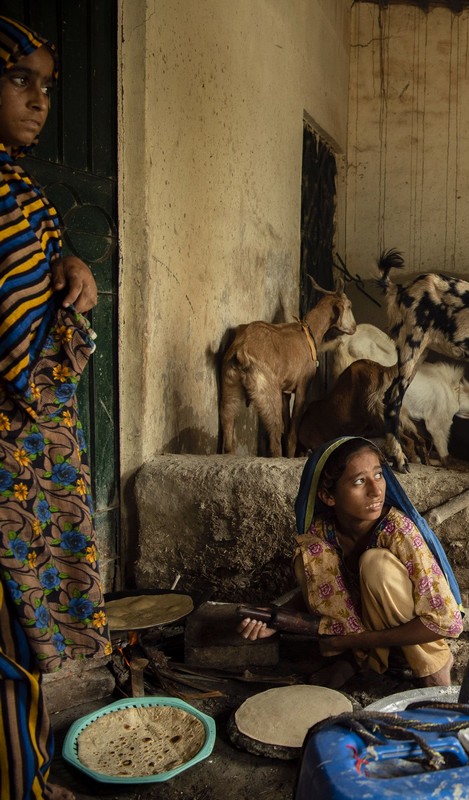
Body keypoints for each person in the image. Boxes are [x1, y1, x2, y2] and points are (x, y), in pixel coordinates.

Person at [0, 15, 108, 800]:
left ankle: (29, 773)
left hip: (26, 461)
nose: (38, 101)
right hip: (5, 459)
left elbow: (33, 279)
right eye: (18, 80)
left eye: (46, 86)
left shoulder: (19, 189)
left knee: (20, 638)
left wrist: (69, 261)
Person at [239, 436, 463, 687]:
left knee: (375, 564)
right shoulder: (323, 532)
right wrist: (276, 619)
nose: (376, 490)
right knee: (310, 555)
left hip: (406, 632)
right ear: (328, 496)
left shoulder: (398, 531)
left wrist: (351, 641)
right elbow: (317, 587)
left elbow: (444, 621)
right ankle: (353, 661)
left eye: (379, 475)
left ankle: (433, 665)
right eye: (359, 481)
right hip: (360, 634)